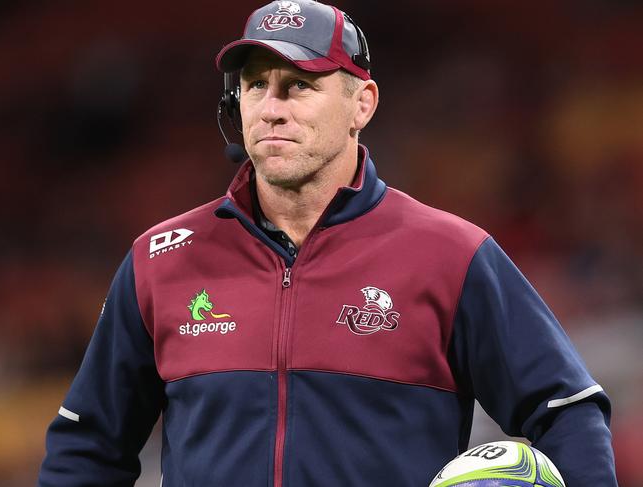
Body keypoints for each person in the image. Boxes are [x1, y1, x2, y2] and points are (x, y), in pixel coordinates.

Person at [38, 1, 617, 486]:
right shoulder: (162, 259)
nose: (270, 109)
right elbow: (88, 447)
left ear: (361, 105)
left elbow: (566, 412)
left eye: (298, 86)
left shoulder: (452, 255)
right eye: (254, 86)